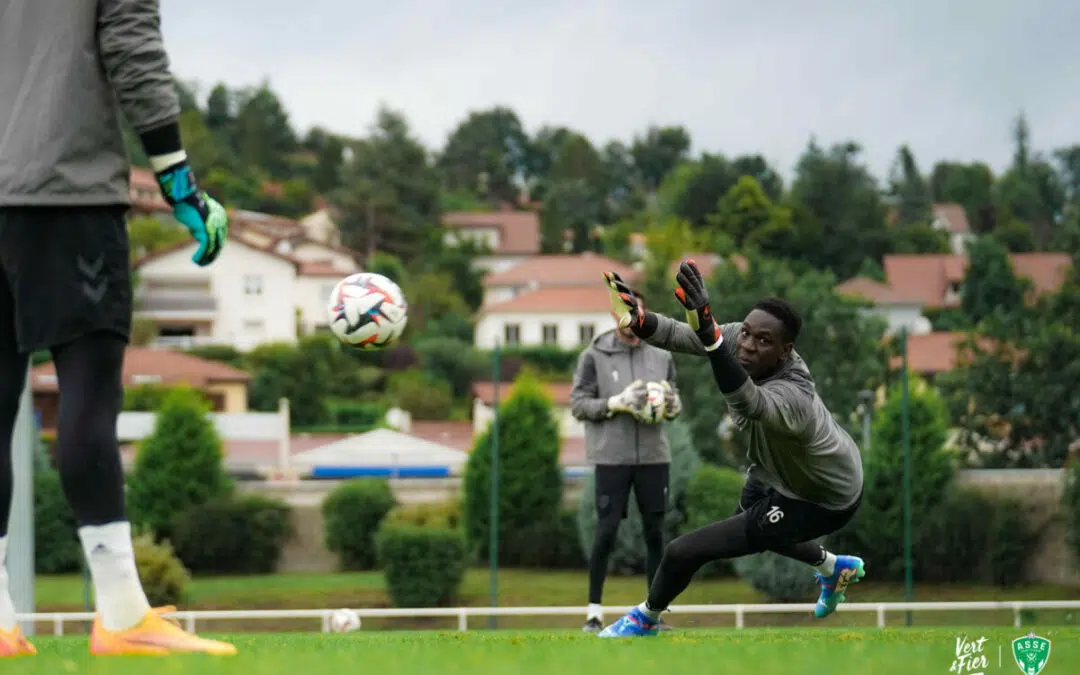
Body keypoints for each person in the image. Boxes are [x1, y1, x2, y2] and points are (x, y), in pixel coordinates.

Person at [0, 0, 232, 657]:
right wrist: (181, 187)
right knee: (86, 400)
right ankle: (124, 613)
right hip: (64, 199)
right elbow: (134, 56)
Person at [595, 260, 866, 638]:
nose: (749, 345)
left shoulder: (795, 397)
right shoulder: (740, 338)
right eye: (747, 334)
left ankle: (645, 618)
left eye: (764, 341)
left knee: (682, 551)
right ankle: (832, 567)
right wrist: (640, 321)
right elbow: (683, 334)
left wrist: (710, 334)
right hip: (773, 471)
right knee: (747, 523)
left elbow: (746, 400)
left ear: (786, 352)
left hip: (823, 497)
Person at [570, 291, 683, 633]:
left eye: (637, 315)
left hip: (653, 458)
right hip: (611, 458)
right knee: (605, 534)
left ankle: (654, 614)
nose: (632, 323)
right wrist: (616, 403)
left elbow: (673, 394)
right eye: (626, 315)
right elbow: (579, 405)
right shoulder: (593, 355)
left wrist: (673, 406)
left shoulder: (661, 354)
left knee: (655, 534)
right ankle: (593, 613)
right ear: (614, 315)